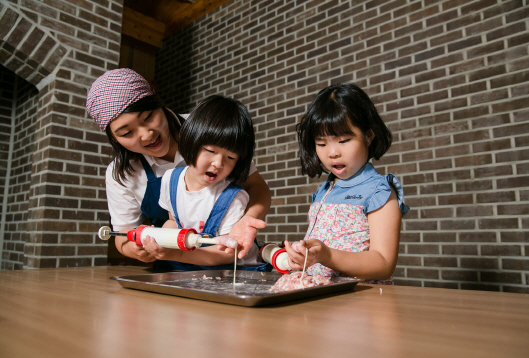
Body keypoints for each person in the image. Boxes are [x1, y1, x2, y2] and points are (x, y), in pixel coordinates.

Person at [86, 69, 270, 263]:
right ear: (114, 139)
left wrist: (247, 221)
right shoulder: (121, 173)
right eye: (126, 133)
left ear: (158, 103)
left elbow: (256, 186)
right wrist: (135, 249)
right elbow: (123, 232)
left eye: (148, 117)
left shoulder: (206, 128)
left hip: (228, 259)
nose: (146, 134)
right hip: (173, 267)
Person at [283, 83, 409, 284]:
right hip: (323, 301)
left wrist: (327, 256)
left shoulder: (379, 190)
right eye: (321, 144)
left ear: (368, 136)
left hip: (360, 303)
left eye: (343, 140)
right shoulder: (326, 189)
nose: (332, 152)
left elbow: (384, 264)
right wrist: (304, 256)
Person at [142, 95, 269, 270]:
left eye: (230, 157)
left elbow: (226, 254)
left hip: (234, 271)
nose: (218, 163)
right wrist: (159, 239)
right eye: (210, 150)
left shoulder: (233, 198)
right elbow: (173, 221)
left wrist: (175, 253)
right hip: (192, 265)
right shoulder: (170, 180)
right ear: (190, 141)